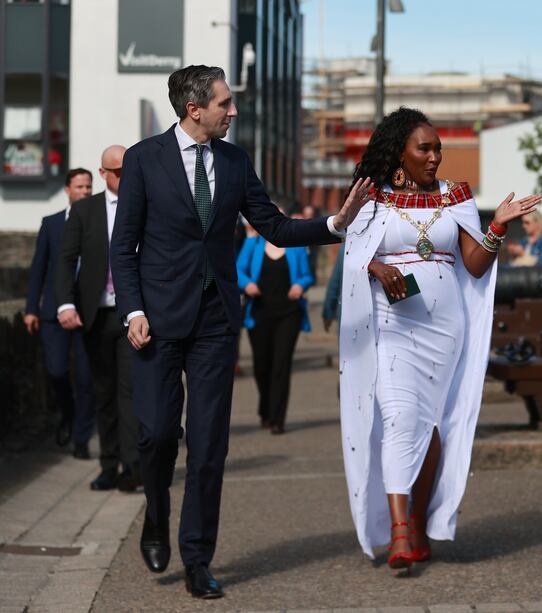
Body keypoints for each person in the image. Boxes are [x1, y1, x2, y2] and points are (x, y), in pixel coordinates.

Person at [110, 64, 371, 599]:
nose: (233, 110)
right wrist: (132, 310)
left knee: (208, 446)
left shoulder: (234, 160)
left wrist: (335, 224)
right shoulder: (143, 160)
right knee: (158, 434)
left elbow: (272, 225)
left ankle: (197, 557)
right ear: (195, 109)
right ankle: (156, 514)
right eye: (225, 103)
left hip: (216, 321)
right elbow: (123, 246)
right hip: (155, 322)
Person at [339, 107, 541, 571]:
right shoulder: (372, 199)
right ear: (400, 154)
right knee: (397, 418)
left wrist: (497, 226)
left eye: (437, 149)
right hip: (392, 325)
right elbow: (352, 255)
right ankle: (399, 533)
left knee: (429, 426)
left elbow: (472, 264)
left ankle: (419, 519)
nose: (434, 157)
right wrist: (375, 266)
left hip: (444, 329)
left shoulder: (456, 196)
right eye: (424, 149)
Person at [54, 148, 141, 492]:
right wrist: (64, 305)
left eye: (128, 170)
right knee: (102, 391)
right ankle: (109, 464)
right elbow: (65, 259)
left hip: (133, 314)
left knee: (130, 392)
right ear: (103, 173)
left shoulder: (144, 204)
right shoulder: (84, 210)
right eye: (117, 171)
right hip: (95, 314)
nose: (124, 177)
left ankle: (132, 466)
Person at [24, 168, 96, 459]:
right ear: (67, 189)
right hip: (54, 312)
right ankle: (67, 413)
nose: (86, 192)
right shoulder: (52, 224)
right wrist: (31, 309)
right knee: (56, 371)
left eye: (89, 187)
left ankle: (81, 439)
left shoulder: (98, 220)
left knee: (86, 379)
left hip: (88, 313)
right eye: (80, 187)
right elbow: (39, 268)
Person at [236, 223, 314, 433]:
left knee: (281, 365)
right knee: (262, 366)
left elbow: (307, 275)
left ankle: (277, 418)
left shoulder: (296, 246)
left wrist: (300, 285)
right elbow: (238, 270)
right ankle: (265, 408)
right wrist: (247, 284)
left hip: (289, 314)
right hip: (259, 313)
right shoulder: (253, 244)